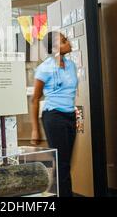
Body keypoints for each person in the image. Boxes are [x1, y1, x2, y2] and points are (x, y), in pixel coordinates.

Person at [30, 31, 78, 197]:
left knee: (65, 164)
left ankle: (54, 193)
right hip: (54, 117)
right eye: (64, 41)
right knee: (63, 164)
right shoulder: (45, 69)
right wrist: (35, 129)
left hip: (70, 116)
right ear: (55, 48)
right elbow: (35, 99)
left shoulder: (71, 65)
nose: (68, 42)